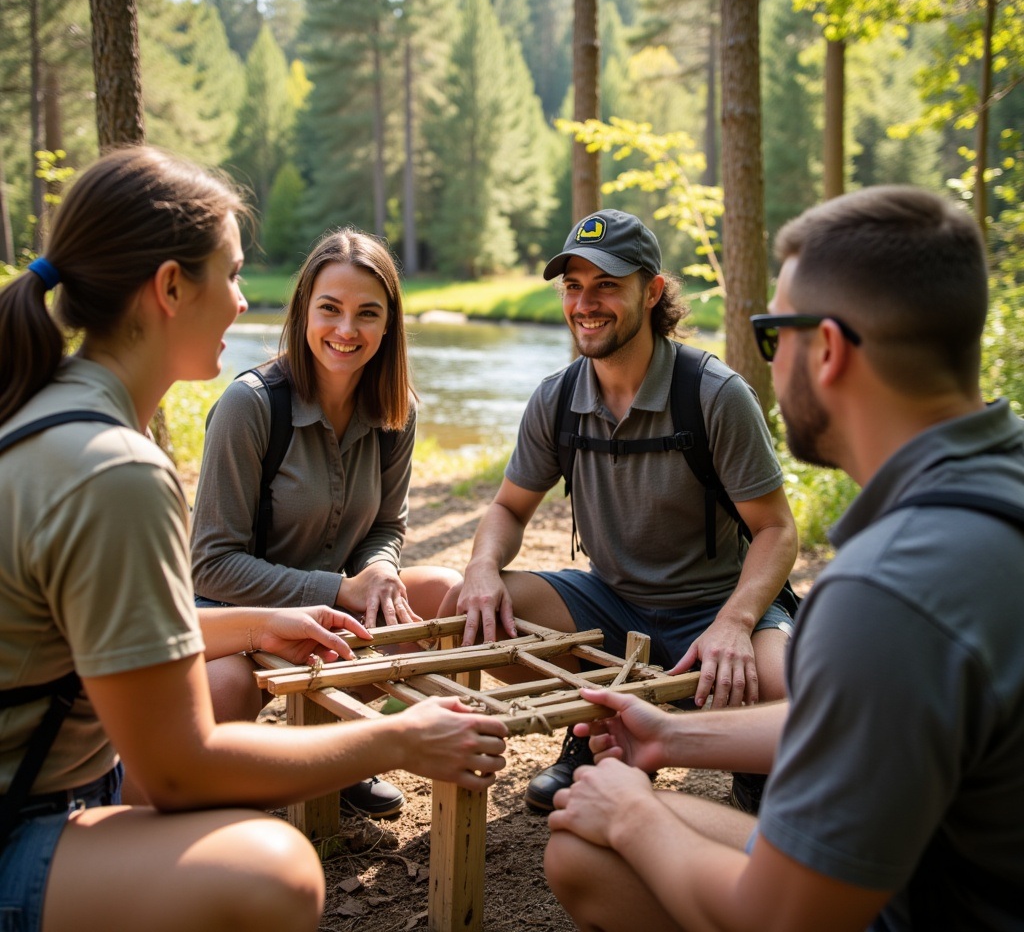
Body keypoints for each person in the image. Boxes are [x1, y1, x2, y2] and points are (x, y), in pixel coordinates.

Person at [0, 146, 508, 932]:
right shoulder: (117, 469)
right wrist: (400, 740)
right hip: (24, 823)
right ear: (171, 288)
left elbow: (83, 641)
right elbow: (180, 768)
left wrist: (258, 622)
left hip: (55, 792)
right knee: (275, 872)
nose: (243, 303)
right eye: (233, 274)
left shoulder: (50, 413)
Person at [544, 186, 1024, 931]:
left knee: (589, 843)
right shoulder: (996, 490)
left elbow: (783, 919)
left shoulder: (886, 591)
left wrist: (634, 813)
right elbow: (874, 718)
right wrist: (671, 735)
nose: (765, 361)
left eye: (773, 333)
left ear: (827, 350)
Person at [443, 209, 799, 812]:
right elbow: (508, 508)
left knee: (794, 688)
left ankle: (750, 755)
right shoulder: (556, 398)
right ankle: (595, 729)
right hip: (610, 603)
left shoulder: (714, 394)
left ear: (652, 291)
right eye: (573, 286)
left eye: (606, 284)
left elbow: (777, 530)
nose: (585, 304)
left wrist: (736, 621)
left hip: (716, 605)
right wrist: (480, 567)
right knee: (467, 607)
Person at [189, 228, 460, 819]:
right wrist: (339, 588)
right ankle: (270, 774)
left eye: (368, 313)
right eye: (330, 309)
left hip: (335, 611)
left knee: (444, 593)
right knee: (223, 690)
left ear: (389, 325)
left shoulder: (398, 409)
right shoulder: (250, 405)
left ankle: (344, 753)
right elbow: (210, 564)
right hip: (236, 615)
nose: (347, 329)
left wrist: (380, 570)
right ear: (303, 311)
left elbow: (385, 527)